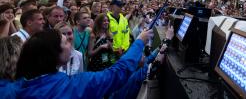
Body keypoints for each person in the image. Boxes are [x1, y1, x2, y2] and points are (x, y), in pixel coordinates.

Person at [8, 29, 153, 99]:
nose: (70, 42)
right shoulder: (73, 86)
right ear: (53, 54)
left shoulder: (14, 88)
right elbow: (115, 74)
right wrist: (139, 42)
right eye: (65, 42)